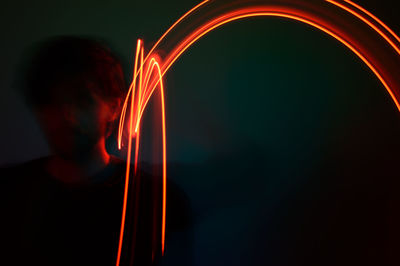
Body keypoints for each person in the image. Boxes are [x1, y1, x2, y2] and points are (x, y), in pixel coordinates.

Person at [0, 36, 192, 266]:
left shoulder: (158, 204)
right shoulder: (7, 192)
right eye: (51, 102)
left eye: (82, 100)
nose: (67, 116)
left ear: (114, 107)